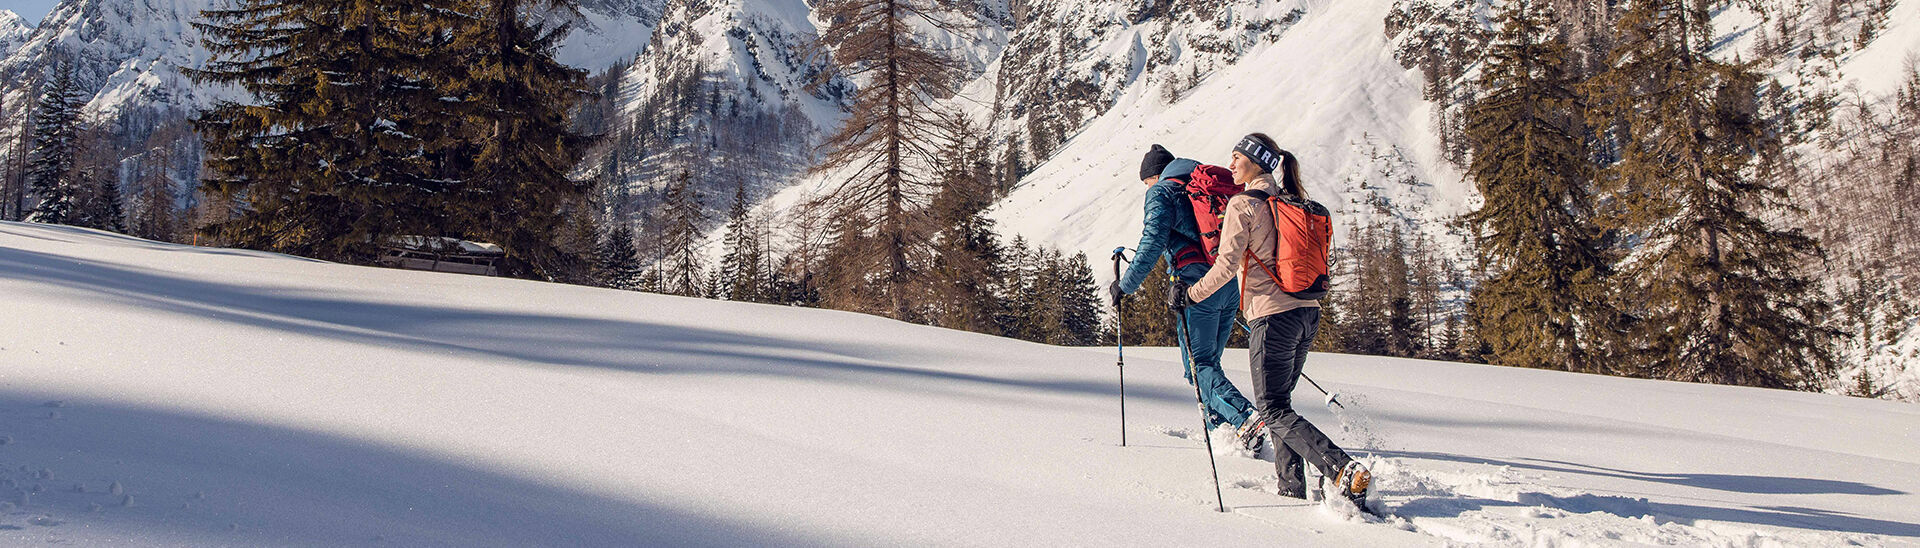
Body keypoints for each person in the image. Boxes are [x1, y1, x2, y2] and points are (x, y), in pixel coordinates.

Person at [1179, 133, 1371, 504]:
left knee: (1271, 408)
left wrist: (1190, 294)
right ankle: (1291, 487)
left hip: (1273, 317)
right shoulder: (1289, 201)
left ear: (1255, 162)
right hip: (1307, 315)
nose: (1231, 164)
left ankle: (1343, 470)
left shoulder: (1243, 205)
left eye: (1236, 158)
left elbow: (1225, 267)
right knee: (1280, 403)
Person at [1109, 144, 1261, 446]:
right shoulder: (1203, 186)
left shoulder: (1162, 192)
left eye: (1146, 183)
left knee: (1198, 367)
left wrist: (1124, 286)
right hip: (1227, 284)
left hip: (1195, 288)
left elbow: (1152, 243)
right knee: (1208, 365)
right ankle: (1226, 435)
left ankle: (1245, 418)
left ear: (1154, 175)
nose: (1147, 188)